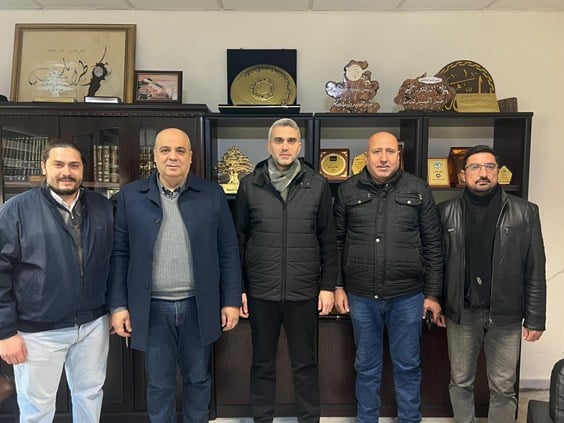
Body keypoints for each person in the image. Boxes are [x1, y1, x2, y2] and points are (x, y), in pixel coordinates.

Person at [108, 128, 242, 422]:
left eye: (180, 151)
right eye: (165, 150)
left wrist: (231, 300)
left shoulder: (212, 194)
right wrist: (118, 306)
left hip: (199, 306)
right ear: (154, 156)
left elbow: (228, 250)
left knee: (199, 378)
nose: (173, 157)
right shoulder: (131, 196)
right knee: (159, 383)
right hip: (152, 309)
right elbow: (119, 253)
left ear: (190, 157)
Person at [333, 131, 443, 423]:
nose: (383, 158)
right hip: (361, 296)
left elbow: (433, 245)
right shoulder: (347, 190)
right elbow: (337, 243)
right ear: (366, 156)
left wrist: (432, 294)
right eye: (377, 151)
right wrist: (338, 286)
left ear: (398, 155)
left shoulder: (418, 189)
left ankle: (409, 419)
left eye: (390, 152)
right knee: (366, 366)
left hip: (408, 296)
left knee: (408, 365)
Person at [0, 141, 114, 422]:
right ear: (44, 167)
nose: (66, 172)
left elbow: (114, 261)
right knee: (37, 408)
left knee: (90, 395)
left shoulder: (102, 207)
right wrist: (5, 332)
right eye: (58, 165)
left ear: (83, 169)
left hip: (93, 324)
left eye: (74, 165)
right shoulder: (16, 210)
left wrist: (115, 307)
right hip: (38, 330)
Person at [234, 118, 337, 423]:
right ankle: (262, 418)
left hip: (303, 291)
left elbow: (328, 240)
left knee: (305, 363)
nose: (285, 146)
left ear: (299, 146)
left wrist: (327, 286)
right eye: (279, 140)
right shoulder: (249, 185)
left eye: (291, 141)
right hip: (261, 291)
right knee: (262, 363)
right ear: (269, 145)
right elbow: (238, 240)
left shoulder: (317, 184)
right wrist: (239, 288)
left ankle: (309, 418)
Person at [437, 145, 546, 423]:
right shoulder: (445, 212)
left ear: (499, 172)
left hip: (506, 315)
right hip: (462, 313)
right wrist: (438, 302)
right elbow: (437, 264)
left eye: (489, 167)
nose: (483, 173)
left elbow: (535, 268)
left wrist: (536, 318)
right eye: (475, 167)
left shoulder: (525, 212)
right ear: (463, 175)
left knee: (503, 388)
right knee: (460, 381)